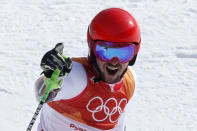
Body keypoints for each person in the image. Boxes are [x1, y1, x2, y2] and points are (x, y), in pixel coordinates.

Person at [36, 8, 141, 131]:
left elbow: (118, 126)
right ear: (92, 48)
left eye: (124, 53)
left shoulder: (130, 82)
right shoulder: (77, 75)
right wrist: (50, 79)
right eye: (105, 51)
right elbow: (41, 92)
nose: (114, 61)